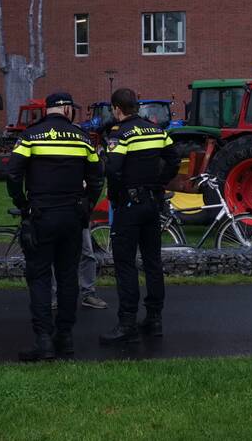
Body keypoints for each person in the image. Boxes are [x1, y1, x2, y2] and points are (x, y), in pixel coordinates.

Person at [7, 92, 103, 361]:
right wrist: (88, 205)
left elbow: (13, 173)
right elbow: (97, 176)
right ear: (65, 109)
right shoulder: (81, 137)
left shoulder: (30, 136)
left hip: (41, 214)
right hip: (72, 216)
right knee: (67, 276)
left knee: (39, 278)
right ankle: (66, 337)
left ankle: (44, 341)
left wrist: (23, 204)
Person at [100, 88, 179, 345]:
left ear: (117, 109)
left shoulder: (120, 133)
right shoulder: (157, 130)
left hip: (129, 205)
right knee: (152, 261)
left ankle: (127, 323)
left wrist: (119, 192)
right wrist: (159, 182)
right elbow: (174, 160)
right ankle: (154, 319)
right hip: (152, 203)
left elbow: (112, 169)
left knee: (125, 264)